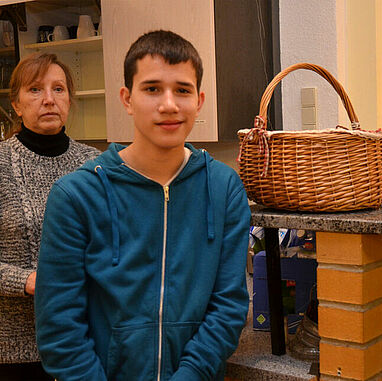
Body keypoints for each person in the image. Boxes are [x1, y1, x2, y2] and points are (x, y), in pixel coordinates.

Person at [35, 30, 251, 380]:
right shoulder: (76, 196)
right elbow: (59, 327)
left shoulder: (224, 188)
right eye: (152, 89)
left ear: (199, 100)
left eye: (182, 90)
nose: (168, 104)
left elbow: (228, 306)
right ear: (127, 98)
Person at [0, 53, 100, 380]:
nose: (48, 100)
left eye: (58, 89)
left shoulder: (95, 164)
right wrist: (27, 281)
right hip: (14, 352)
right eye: (35, 90)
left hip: (84, 345)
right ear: (16, 104)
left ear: (70, 99)